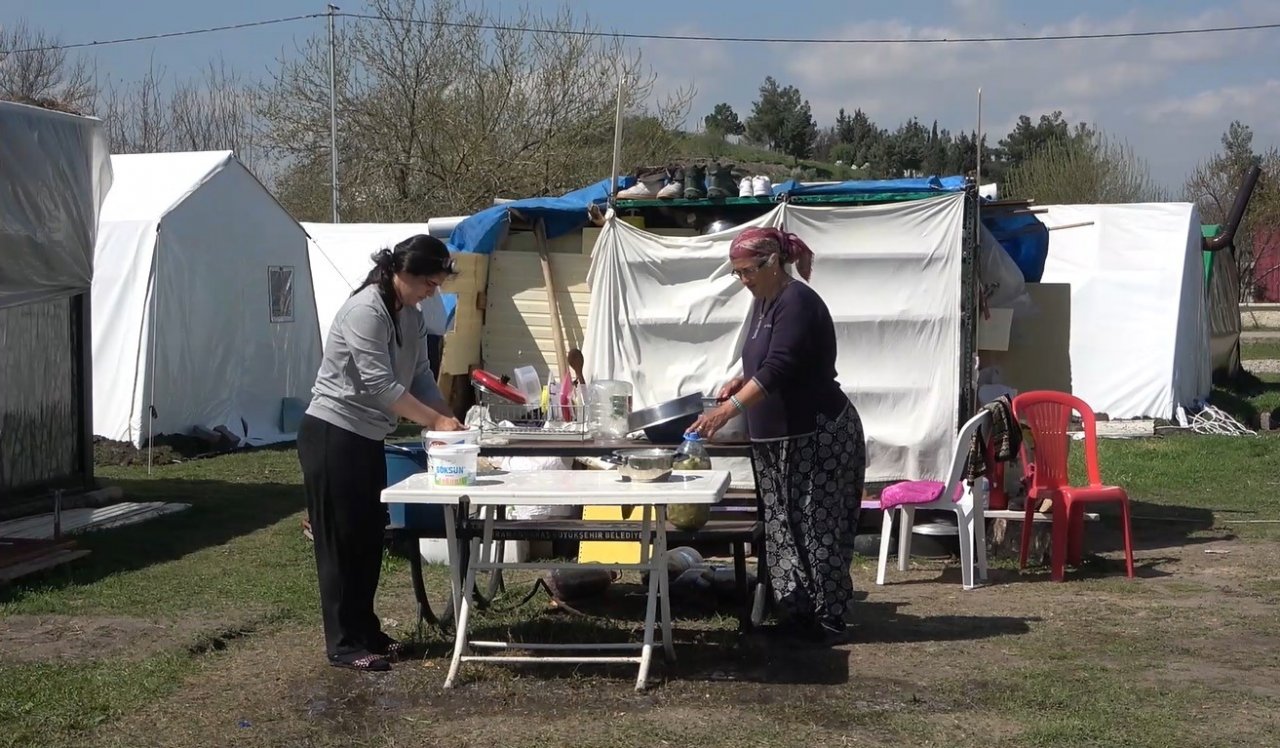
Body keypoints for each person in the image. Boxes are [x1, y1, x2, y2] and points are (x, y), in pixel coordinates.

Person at [687, 226, 866, 645]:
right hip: (776, 441)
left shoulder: (797, 301)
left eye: (747, 271)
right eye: (737, 274)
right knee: (781, 526)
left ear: (772, 263)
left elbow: (781, 366)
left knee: (816, 524)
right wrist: (738, 380)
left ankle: (829, 617)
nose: (743, 281)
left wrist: (728, 409)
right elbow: (761, 362)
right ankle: (796, 612)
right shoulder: (764, 303)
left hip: (816, 434)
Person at [297, 234, 466, 672]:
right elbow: (382, 386)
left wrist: (450, 417)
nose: (433, 291)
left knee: (370, 537)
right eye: (429, 282)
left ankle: (367, 629)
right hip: (333, 433)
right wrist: (432, 422)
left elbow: (421, 376)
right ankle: (343, 643)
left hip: (368, 436)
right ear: (404, 273)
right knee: (340, 541)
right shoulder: (365, 311)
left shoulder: (408, 314)